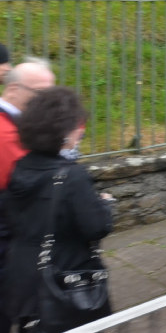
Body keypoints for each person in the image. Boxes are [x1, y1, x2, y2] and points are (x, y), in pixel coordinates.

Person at [3, 87, 114, 332]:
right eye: (77, 126)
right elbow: (96, 227)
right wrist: (105, 204)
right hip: (61, 277)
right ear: (64, 133)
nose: (80, 131)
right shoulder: (72, 176)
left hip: (22, 273)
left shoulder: (20, 167)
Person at [0, 60, 56, 333]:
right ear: (13, 89)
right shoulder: (5, 132)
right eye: (40, 94)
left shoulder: (18, 125)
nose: (47, 102)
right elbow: (31, 181)